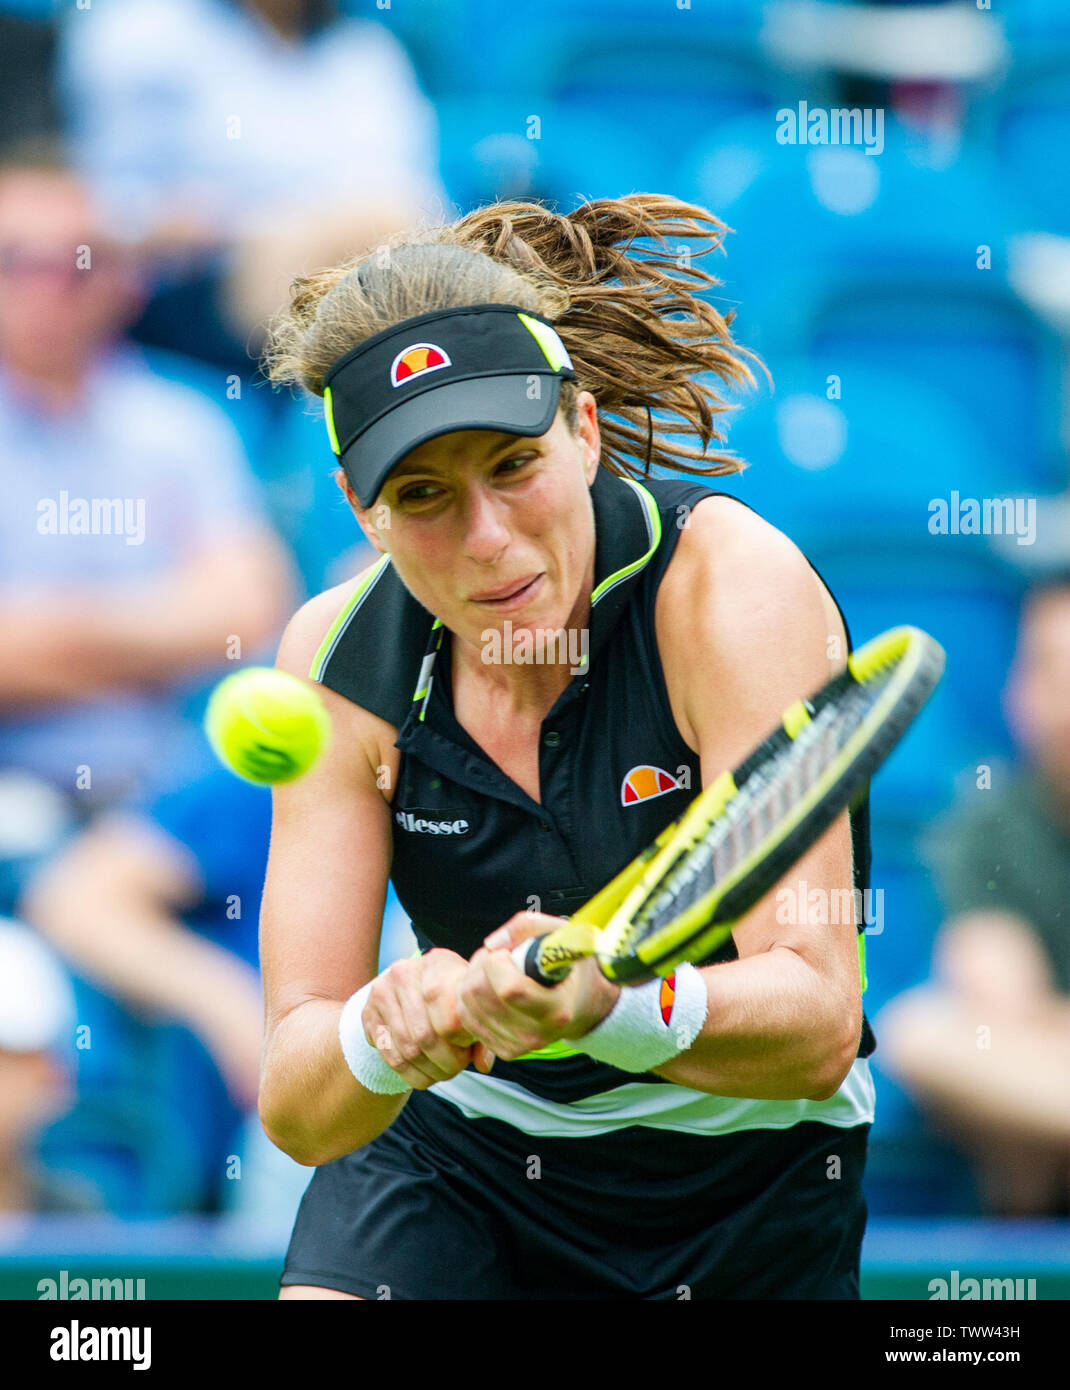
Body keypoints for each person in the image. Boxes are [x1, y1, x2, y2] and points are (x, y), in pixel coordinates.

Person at [258, 193, 876, 1301]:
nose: (486, 537)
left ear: (583, 432)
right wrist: (382, 1033)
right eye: (422, 494)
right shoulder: (336, 662)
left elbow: (819, 1020)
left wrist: (614, 1005)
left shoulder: (727, 592)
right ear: (364, 514)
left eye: (511, 463)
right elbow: (300, 1105)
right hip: (461, 1159)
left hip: (744, 1178)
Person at [0, 148, 295, 822]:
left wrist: (33, 643)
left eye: (78, 262)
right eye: (18, 262)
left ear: (126, 278)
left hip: (162, 800)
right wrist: (157, 633)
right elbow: (210, 616)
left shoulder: (187, 420)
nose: (49, 287)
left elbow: (245, 613)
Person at [877, 572, 1070, 1217]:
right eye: (1047, 669)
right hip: (1045, 1096)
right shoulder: (986, 826)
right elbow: (1006, 1011)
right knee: (922, 1033)